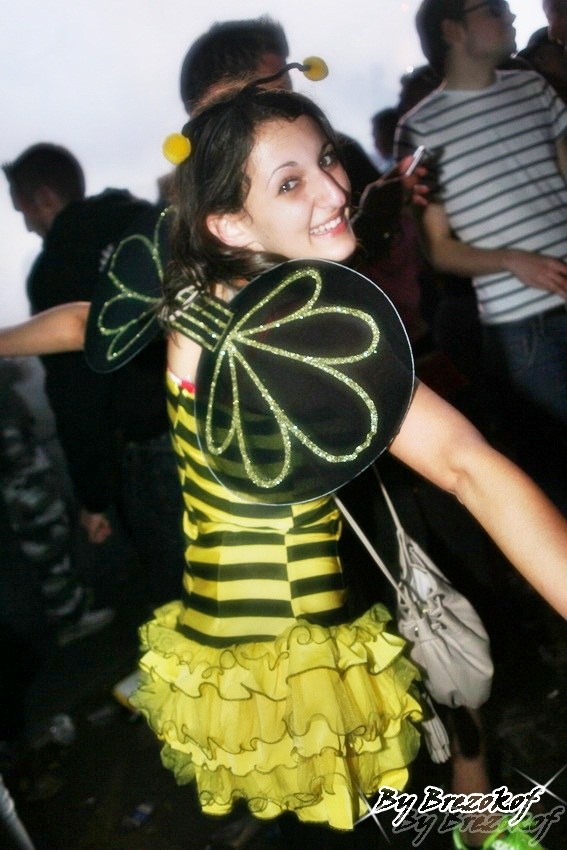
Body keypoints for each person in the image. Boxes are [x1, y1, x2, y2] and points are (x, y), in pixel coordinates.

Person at [1, 70, 566, 849]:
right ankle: (475, 819)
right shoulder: (277, 328)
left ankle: (473, 813)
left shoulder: (209, 301)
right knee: (357, 813)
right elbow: (468, 468)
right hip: (283, 657)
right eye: (291, 181)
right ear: (230, 223)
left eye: (326, 159)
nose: (333, 187)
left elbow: (79, 323)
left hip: (232, 651)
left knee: (344, 813)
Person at [395, 0, 567, 512]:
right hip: (521, 328)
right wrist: (512, 260)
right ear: (453, 29)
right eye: (493, 9)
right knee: (556, 470)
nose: (510, 17)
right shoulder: (421, 129)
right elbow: (438, 250)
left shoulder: (533, 88)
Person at [3, 147, 186, 606]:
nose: (26, 224)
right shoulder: (142, 219)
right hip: (215, 416)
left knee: (190, 594)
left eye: (23, 210)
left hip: (154, 451)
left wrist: (93, 497)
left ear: (44, 198)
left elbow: (76, 391)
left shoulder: (55, 270)